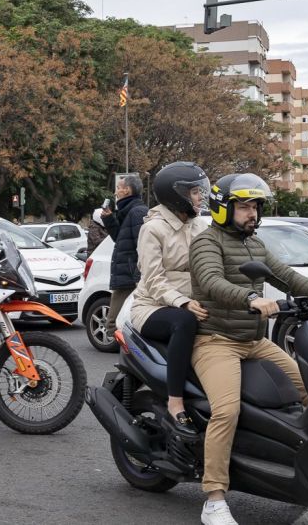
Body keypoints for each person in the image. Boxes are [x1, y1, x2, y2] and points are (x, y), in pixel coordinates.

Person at [188, 173, 308, 525]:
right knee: (226, 410)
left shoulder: (256, 244)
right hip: (215, 341)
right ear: (223, 208)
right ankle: (214, 499)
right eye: (244, 206)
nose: (252, 213)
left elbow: (288, 277)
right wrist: (251, 297)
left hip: (255, 341)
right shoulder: (207, 242)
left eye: (255, 206)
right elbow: (211, 281)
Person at [129, 162, 210, 434]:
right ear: (176, 194)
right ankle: (176, 402)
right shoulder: (153, 229)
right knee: (185, 322)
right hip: (152, 307)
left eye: (201, 191)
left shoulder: (200, 225)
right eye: (195, 192)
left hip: (191, 303)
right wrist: (183, 302)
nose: (201, 197)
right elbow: (152, 280)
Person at [101, 174, 149, 342]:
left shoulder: (137, 212)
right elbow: (120, 238)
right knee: (116, 323)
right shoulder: (127, 211)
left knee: (116, 323)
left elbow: (143, 247)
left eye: (118, 188)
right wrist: (108, 218)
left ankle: (132, 358)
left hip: (131, 276)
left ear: (127, 190)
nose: (116, 193)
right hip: (126, 274)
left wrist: (138, 276)